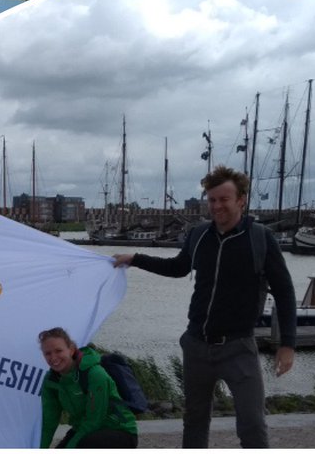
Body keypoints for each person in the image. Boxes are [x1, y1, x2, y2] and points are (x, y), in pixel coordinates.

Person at [112, 166, 296, 448]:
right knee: (195, 420)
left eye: (224, 199)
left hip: (238, 347)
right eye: (212, 200)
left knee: (252, 424)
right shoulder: (199, 235)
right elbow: (176, 267)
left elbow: (284, 292)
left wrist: (287, 344)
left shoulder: (260, 239)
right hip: (197, 345)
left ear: (241, 200)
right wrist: (135, 258)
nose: (217, 206)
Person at [39, 327, 138, 449]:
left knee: (82, 445)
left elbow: (94, 421)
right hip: (84, 429)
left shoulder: (95, 374)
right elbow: (48, 423)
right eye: (47, 353)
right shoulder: (51, 381)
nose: (53, 358)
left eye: (58, 351)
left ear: (71, 349)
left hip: (119, 431)